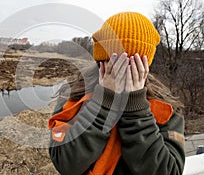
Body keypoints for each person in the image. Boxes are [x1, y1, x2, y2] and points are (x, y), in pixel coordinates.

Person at [48, 12, 185, 175]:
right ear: (101, 61)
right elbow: (66, 164)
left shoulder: (165, 108)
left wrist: (137, 110)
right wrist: (104, 101)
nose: (122, 72)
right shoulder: (74, 95)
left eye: (131, 64)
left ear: (144, 66)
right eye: (114, 62)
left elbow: (169, 171)